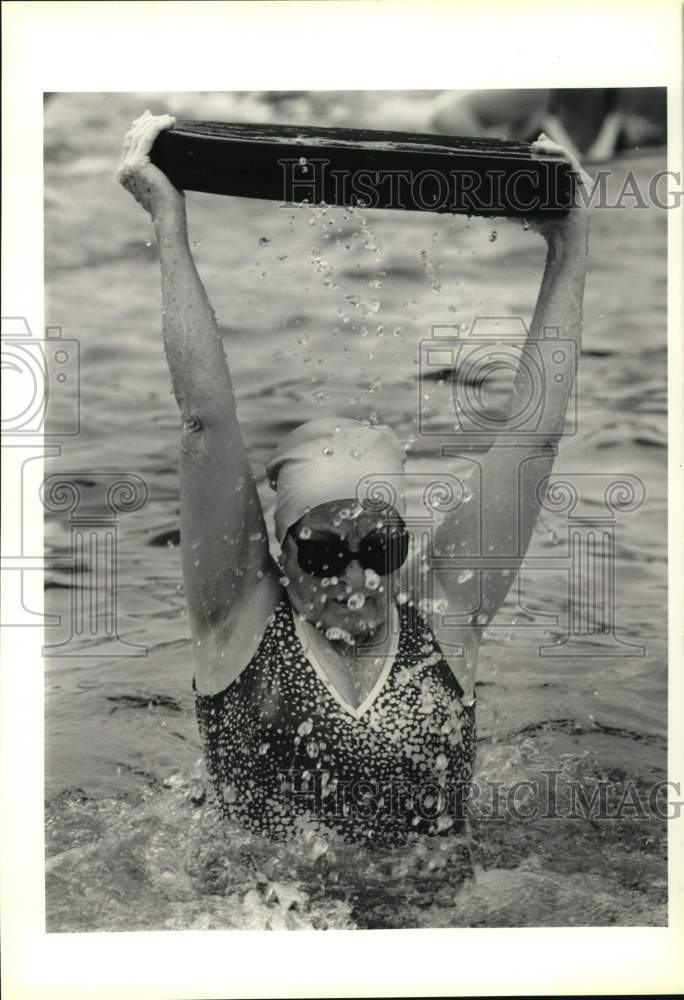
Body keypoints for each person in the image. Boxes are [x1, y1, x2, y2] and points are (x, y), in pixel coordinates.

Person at [116, 111, 591, 846]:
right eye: (327, 554)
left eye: (381, 548)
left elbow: (534, 436)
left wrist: (568, 242)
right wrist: (170, 227)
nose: (359, 576)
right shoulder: (237, 614)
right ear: (280, 548)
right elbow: (206, 421)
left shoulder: (443, 613)